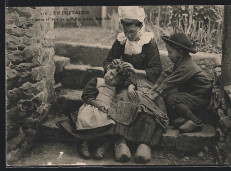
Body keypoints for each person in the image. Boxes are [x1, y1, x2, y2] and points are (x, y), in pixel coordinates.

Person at [103, 6, 169, 163]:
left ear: (141, 26)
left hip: (146, 83)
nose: (129, 35)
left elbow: (156, 70)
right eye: (126, 31)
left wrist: (136, 71)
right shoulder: (121, 41)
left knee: (145, 102)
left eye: (132, 32)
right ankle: (121, 142)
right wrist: (112, 64)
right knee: (123, 100)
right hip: (126, 83)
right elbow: (106, 61)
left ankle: (144, 143)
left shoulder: (149, 43)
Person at [147, 33, 213, 133]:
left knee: (171, 98)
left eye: (170, 52)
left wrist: (153, 95)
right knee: (171, 96)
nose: (168, 55)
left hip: (201, 97)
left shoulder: (187, 66)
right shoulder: (181, 62)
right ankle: (185, 117)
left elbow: (169, 82)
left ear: (180, 52)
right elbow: (166, 74)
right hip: (192, 95)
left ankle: (196, 121)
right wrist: (154, 87)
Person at [76, 61, 130, 160]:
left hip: (106, 110)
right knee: (87, 119)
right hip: (93, 106)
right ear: (108, 68)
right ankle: (85, 143)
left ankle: (103, 146)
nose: (110, 78)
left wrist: (131, 86)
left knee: (111, 123)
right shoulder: (97, 81)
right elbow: (86, 96)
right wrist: (98, 105)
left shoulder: (115, 89)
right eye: (111, 73)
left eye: (115, 79)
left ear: (119, 82)